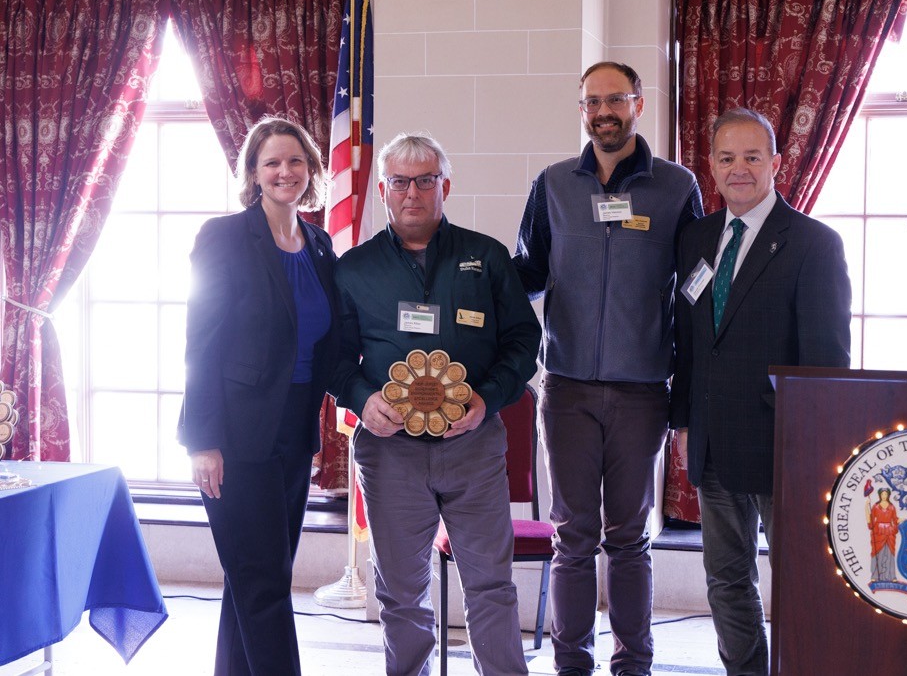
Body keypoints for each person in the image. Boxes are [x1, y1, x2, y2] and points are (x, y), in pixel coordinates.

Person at [514, 61, 703, 676]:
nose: (604, 111)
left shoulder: (677, 187)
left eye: (615, 99)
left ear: (638, 104)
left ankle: (633, 665)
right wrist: (464, 273)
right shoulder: (552, 185)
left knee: (627, 537)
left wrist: (688, 388)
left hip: (642, 391)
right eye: (592, 101)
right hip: (566, 389)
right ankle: (572, 663)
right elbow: (527, 274)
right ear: (582, 110)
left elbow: (694, 291)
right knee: (572, 537)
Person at [330, 133, 541, 676]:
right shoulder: (353, 269)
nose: (413, 193)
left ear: (444, 186)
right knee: (400, 594)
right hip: (389, 452)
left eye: (426, 180)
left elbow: (523, 341)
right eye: (400, 181)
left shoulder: (487, 257)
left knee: (491, 586)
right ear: (382, 190)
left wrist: (488, 398)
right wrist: (360, 397)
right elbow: (331, 358)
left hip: (473, 446)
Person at [670, 107, 852, 676]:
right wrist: (680, 423)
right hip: (713, 439)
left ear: (777, 163)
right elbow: (688, 340)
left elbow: (828, 358)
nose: (739, 169)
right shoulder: (695, 238)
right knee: (726, 579)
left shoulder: (813, 243)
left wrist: (814, 444)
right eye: (727, 158)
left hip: (783, 447)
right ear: (712, 166)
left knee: (800, 578)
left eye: (752, 157)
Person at [178, 116, 341, 675]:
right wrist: (202, 441)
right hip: (234, 436)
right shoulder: (223, 237)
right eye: (271, 162)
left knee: (254, 575)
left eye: (295, 161)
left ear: (311, 170)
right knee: (265, 581)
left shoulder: (319, 245)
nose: (284, 171)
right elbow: (200, 343)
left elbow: (330, 344)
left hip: (294, 434)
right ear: (253, 172)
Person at [866, 488, 898, 582]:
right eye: (882, 494)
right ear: (880, 495)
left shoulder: (892, 507)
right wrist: (866, 507)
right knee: (877, 554)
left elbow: (895, 520)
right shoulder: (875, 506)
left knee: (889, 553)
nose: (884, 496)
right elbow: (871, 520)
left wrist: (903, 520)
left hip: (889, 532)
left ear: (888, 495)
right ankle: (875, 575)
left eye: (886, 494)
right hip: (878, 532)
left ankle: (891, 576)